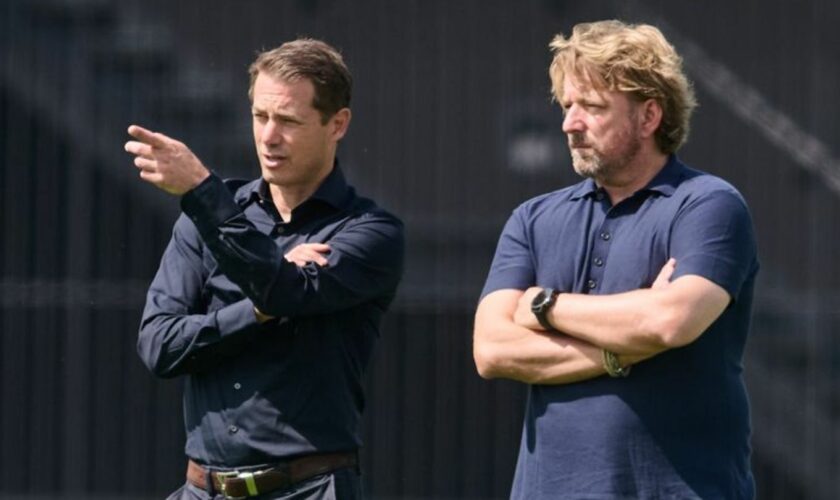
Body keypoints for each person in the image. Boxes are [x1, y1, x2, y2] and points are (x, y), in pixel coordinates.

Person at [473, 20, 758, 499]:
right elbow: (492, 349)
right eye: (567, 106)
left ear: (649, 117)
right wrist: (623, 344)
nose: (570, 123)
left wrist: (544, 305)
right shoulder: (532, 218)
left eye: (593, 107)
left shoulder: (708, 204)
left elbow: (671, 322)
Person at [125, 39, 404, 499]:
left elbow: (284, 293)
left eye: (288, 121)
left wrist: (200, 190)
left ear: (338, 124)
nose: (269, 137)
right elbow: (158, 346)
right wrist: (253, 313)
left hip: (309, 489)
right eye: (260, 116)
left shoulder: (370, 232)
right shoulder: (205, 222)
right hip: (200, 489)